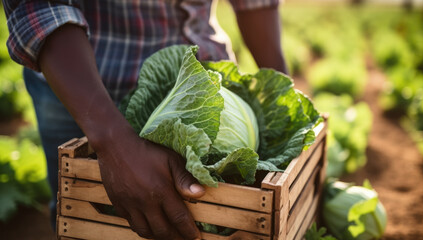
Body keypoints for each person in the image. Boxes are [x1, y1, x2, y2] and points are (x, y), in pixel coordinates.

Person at [2, 0, 287, 239]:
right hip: (82, 84)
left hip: (207, 68)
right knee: (83, 220)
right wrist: (112, 141)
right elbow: (38, 7)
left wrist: (282, 95)